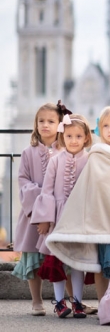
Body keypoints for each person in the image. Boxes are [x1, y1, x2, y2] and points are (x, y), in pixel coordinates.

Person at [45, 106, 110, 302]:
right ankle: (104, 303)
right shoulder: (96, 155)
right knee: (103, 265)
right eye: (106, 126)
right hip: (103, 220)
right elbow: (90, 185)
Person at [31, 113, 92, 318]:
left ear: (86, 138)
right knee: (57, 260)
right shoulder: (55, 161)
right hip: (58, 217)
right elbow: (46, 191)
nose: (73, 141)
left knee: (76, 261)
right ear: (62, 138)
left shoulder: (91, 160)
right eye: (69, 136)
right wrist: (45, 218)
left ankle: (77, 302)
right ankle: (58, 302)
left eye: (78, 136)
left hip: (80, 218)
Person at [11, 103, 63, 316]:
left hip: (58, 213)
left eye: (51, 121)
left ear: (59, 124)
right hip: (33, 215)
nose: (45, 125)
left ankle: (68, 300)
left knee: (61, 257)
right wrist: (41, 203)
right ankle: (36, 301)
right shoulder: (27, 152)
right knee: (32, 256)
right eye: (41, 121)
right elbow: (23, 180)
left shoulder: (65, 151)